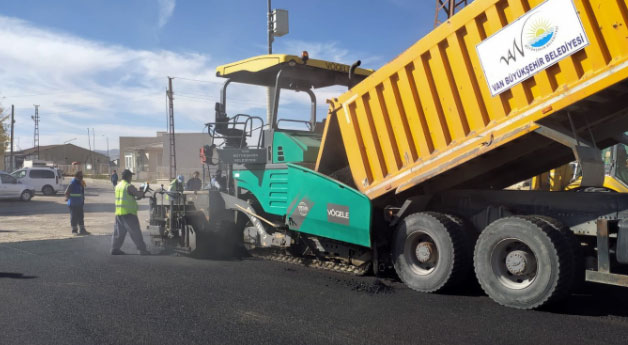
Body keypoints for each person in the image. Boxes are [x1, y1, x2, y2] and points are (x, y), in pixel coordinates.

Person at [111, 169, 150, 255]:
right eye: (131, 176)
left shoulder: (118, 186)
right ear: (128, 177)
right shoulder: (128, 186)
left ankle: (115, 248)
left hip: (119, 213)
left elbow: (128, 197)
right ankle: (142, 250)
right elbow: (138, 194)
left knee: (119, 232)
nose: (131, 178)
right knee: (136, 232)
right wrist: (143, 192)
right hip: (129, 214)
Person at [64, 171, 89, 235]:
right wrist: (67, 198)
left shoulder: (80, 183)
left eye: (82, 176)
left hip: (79, 203)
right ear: (76, 176)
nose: (82, 177)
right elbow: (66, 192)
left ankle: (82, 230)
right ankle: (74, 230)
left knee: (81, 217)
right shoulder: (72, 183)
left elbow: (81, 192)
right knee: (74, 217)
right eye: (80, 176)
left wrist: (82, 200)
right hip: (73, 204)